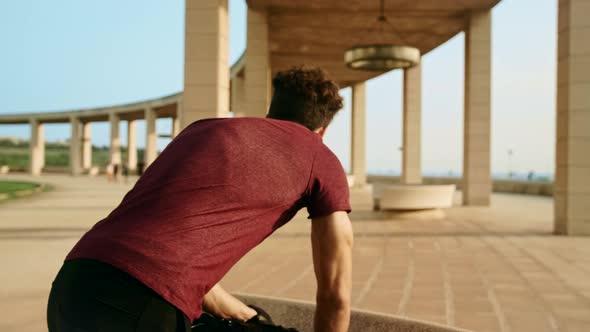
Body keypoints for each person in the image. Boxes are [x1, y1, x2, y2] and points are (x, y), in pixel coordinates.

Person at [47, 67, 353, 332]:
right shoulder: (319, 156)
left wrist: (245, 315)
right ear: (322, 130)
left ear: (270, 113)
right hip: (143, 306)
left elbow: (163, 254)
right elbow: (335, 295)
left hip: (72, 285)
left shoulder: (202, 130)